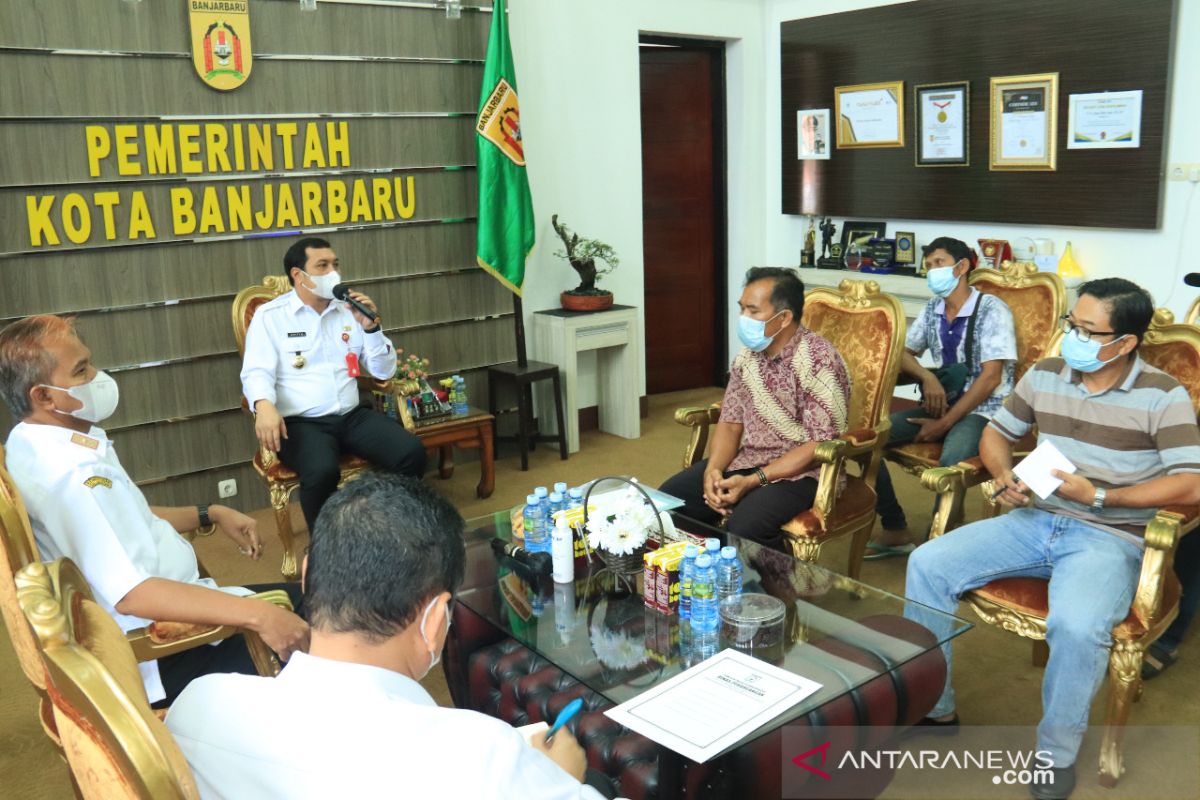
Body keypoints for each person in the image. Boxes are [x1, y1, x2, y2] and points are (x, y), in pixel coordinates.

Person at [905, 278, 1200, 800]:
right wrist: (1001, 478)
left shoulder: (1162, 393)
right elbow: (998, 433)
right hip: (1034, 518)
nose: (1073, 339)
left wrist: (1104, 497)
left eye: (1089, 330)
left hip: (1108, 536)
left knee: (1079, 624)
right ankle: (935, 705)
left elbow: (1190, 481)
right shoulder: (1046, 373)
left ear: (1125, 342)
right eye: (1072, 324)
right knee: (927, 564)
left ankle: (1055, 755)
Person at [166, 472, 612, 799]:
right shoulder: (483, 760)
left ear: (306, 577)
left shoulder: (197, 706)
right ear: (436, 620)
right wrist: (566, 779)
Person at [0, 316, 309, 707]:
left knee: (316, 601)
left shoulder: (34, 439)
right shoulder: (77, 476)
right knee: (333, 620)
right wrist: (258, 616)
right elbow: (134, 594)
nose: (98, 376)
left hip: (181, 605)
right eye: (81, 370)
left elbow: (131, 518)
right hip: (165, 648)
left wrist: (209, 513)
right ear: (43, 396)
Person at [240, 237, 426, 534]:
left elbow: (383, 370)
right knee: (321, 471)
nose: (333, 273)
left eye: (335, 265)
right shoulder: (270, 317)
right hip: (302, 423)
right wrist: (263, 405)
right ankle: (323, 545)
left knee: (411, 452)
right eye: (323, 266)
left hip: (351, 415)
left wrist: (372, 328)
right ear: (298, 276)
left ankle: (389, 525)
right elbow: (256, 371)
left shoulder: (348, 311)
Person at [659, 267, 850, 550]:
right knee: (669, 502)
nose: (743, 319)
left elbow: (819, 444)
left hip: (805, 473)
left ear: (784, 318)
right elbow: (731, 422)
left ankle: (775, 593)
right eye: (742, 309)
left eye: (753, 311)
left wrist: (752, 481)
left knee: (746, 527)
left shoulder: (819, 360)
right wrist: (713, 470)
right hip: (749, 460)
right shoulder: (746, 358)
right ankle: (712, 577)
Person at [868, 236, 1018, 558]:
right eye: (929, 265)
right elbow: (903, 352)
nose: (932, 271)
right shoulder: (934, 308)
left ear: (961, 267)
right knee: (869, 440)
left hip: (985, 409)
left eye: (939, 263)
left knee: (952, 462)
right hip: (943, 400)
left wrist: (946, 422)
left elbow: (991, 378)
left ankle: (941, 540)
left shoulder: (992, 310)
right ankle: (895, 528)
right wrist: (927, 377)